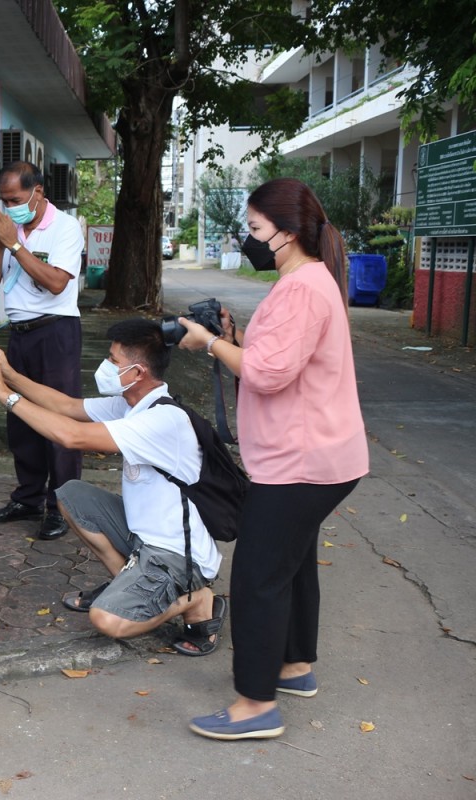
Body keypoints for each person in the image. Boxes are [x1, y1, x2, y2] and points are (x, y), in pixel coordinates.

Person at [176, 178, 368, 740]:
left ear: (286, 233)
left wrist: (207, 343)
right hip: (312, 455)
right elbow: (274, 357)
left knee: (259, 574)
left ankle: (254, 705)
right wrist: (233, 336)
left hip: (301, 460)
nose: (250, 238)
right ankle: (293, 667)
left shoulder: (304, 287)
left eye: (256, 229)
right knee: (292, 562)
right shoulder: (305, 282)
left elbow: (268, 372)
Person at [0, 320, 226, 653]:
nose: (105, 366)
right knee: (72, 495)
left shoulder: (162, 419)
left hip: (177, 556)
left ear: (138, 373)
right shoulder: (132, 404)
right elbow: (66, 407)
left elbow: (71, 435)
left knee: (108, 621)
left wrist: (4, 395)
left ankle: (197, 601)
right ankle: (127, 584)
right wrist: (9, 373)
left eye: (113, 360)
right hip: (142, 537)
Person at [0, 160, 85, 540]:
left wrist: (14, 243)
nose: (10, 207)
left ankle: (63, 507)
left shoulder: (64, 228)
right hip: (20, 333)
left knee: (58, 419)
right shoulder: (10, 228)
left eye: (15, 199)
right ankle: (27, 498)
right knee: (20, 419)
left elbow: (57, 282)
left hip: (55, 333)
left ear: (37, 191)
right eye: (5, 200)